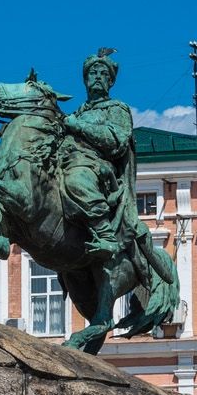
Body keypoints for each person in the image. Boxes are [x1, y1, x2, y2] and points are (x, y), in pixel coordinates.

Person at [60, 49, 136, 260]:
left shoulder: (116, 108)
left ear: (110, 82)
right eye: (93, 73)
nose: (98, 77)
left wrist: (79, 126)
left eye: (104, 74)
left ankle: (105, 234)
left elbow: (116, 141)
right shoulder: (77, 113)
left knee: (76, 180)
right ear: (85, 80)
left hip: (97, 166)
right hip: (66, 162)